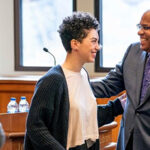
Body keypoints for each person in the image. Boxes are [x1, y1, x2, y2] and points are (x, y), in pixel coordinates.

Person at [24, 12, 125, 150]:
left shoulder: (83, 74)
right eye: (93, 41)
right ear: (75, 44)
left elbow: (84, 119)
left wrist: (116, 107)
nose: (98, 47)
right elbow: (35, 126)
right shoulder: (53, 80)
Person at [91, 9, 150, 150]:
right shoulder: (133, 51)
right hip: (127, 140)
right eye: (139, 26)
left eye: (146, 27)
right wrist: (72, 84)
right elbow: (108, 85)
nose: (140, 32)